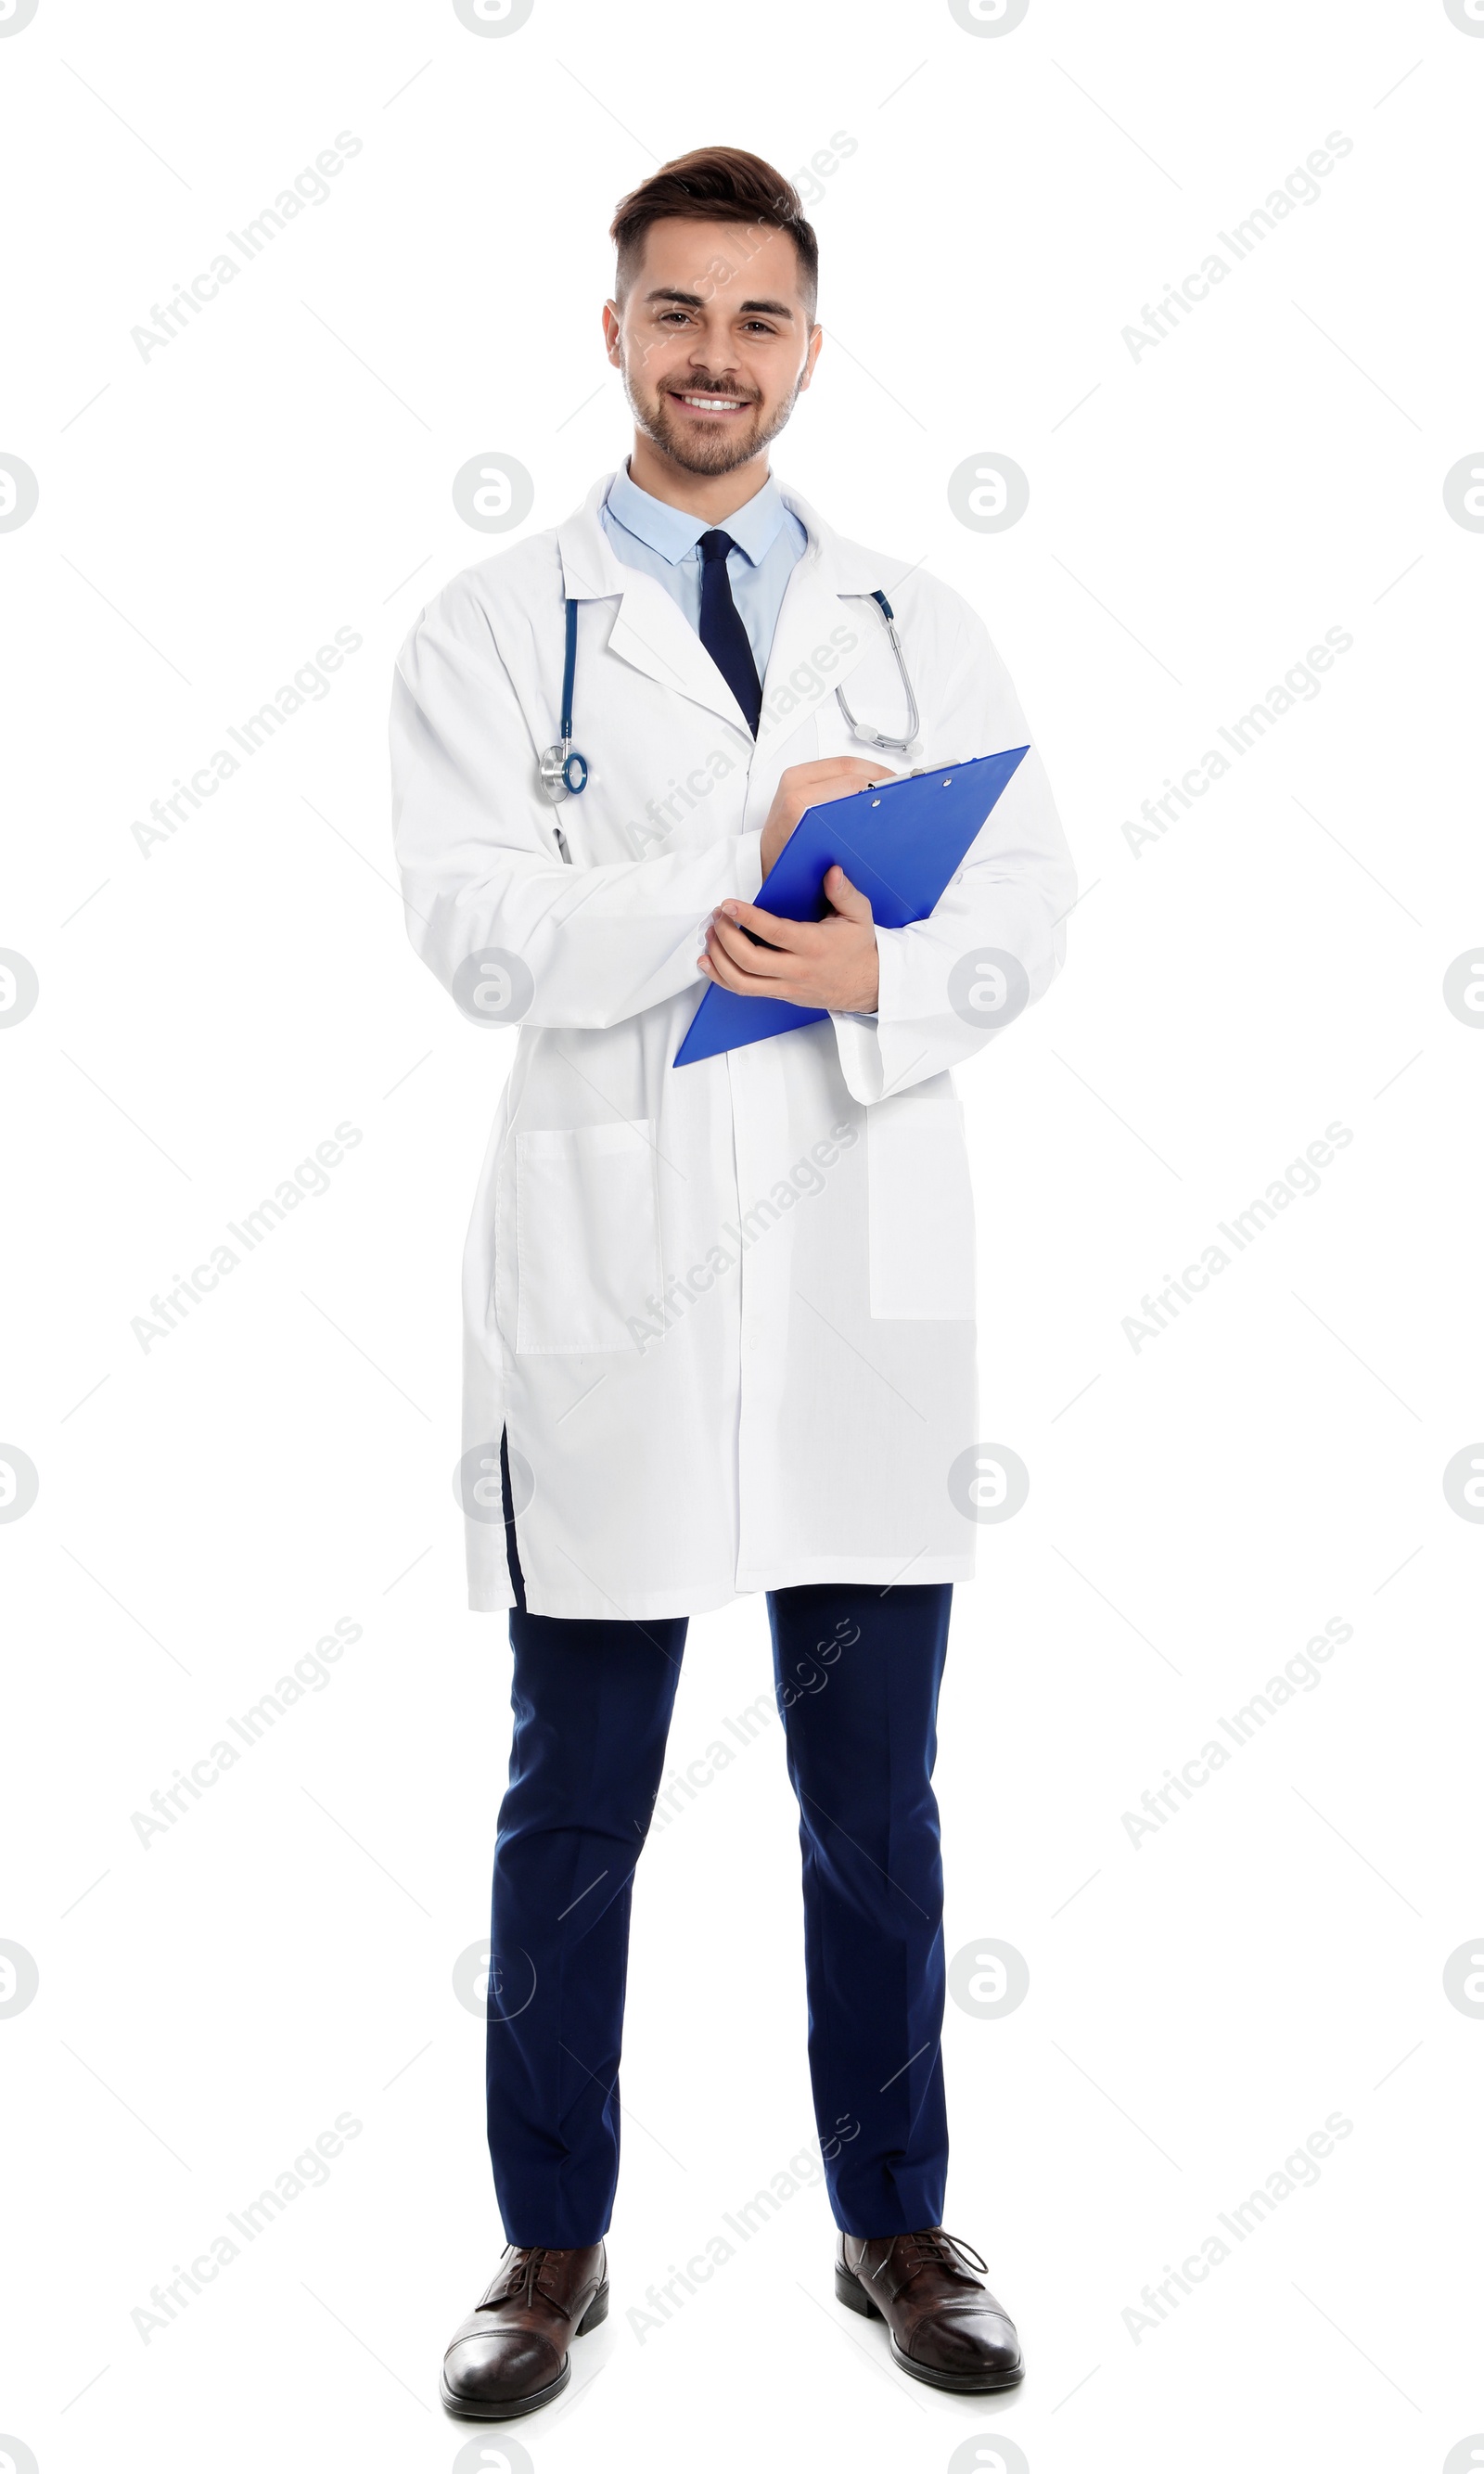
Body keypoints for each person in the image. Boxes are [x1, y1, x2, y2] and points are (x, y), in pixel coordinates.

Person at [390, 143, 1076, 2421]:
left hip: (858, 1278)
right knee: (572, 1799)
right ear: (612, 333)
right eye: (673, 314)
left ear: (807, 340)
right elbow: (477, 922)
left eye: (756, 319)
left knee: (875, 1800)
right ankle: (543, 2246)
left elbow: (1026, 903)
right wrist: (726, 857)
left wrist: (882, 956)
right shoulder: (499, 626)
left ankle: (895, 2220)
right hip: (620, 1282)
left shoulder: (911, 617)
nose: (713, 356)